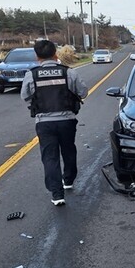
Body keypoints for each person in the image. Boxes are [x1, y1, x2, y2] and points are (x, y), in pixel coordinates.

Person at [21, 40, 88, 206]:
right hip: (67, 121)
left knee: (50, 157)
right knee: (69, 150)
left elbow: (25, 96)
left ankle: (57, 194)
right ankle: (69, 180)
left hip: (44, 122)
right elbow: (83, 92)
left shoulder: (32, 74)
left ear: (37, 57)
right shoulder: (69, 72)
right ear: (55, 54)